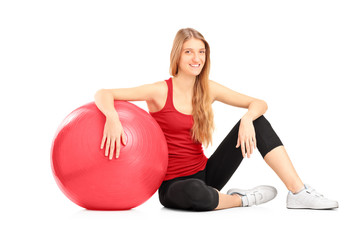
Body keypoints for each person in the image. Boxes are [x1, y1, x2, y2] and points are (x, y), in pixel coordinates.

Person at [94, 28, 338, 211]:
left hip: (206, 173)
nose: (196, 58)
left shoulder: (208, 89)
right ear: (177, 55)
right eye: (189, 51)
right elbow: (104, 93)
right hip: (173, 185)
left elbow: (259, 103)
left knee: (258, 122)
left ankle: (298, 192)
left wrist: (247, 119)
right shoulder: (159, 91)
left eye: (201, 52)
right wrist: (112, 117)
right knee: (196, 194)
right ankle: (241, 199)